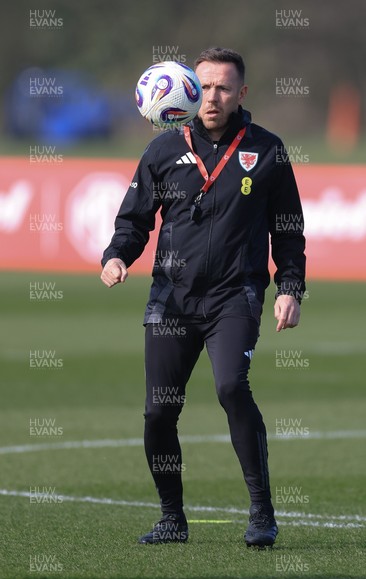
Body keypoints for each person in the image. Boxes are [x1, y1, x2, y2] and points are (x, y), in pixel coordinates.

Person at [101, 47, 306, 547]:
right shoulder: (162, 151)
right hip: (171, 301)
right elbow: (134, 221)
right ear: (188, 90)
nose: (212, 97)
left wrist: (290, 288)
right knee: (157, 411)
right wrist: (116, 255)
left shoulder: (269, 150)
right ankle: (172, 518)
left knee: (232, 388)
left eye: (223, 88)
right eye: (205, 86)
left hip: (235, 297)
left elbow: (289, 229)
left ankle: (262, 513)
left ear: (241, 93)